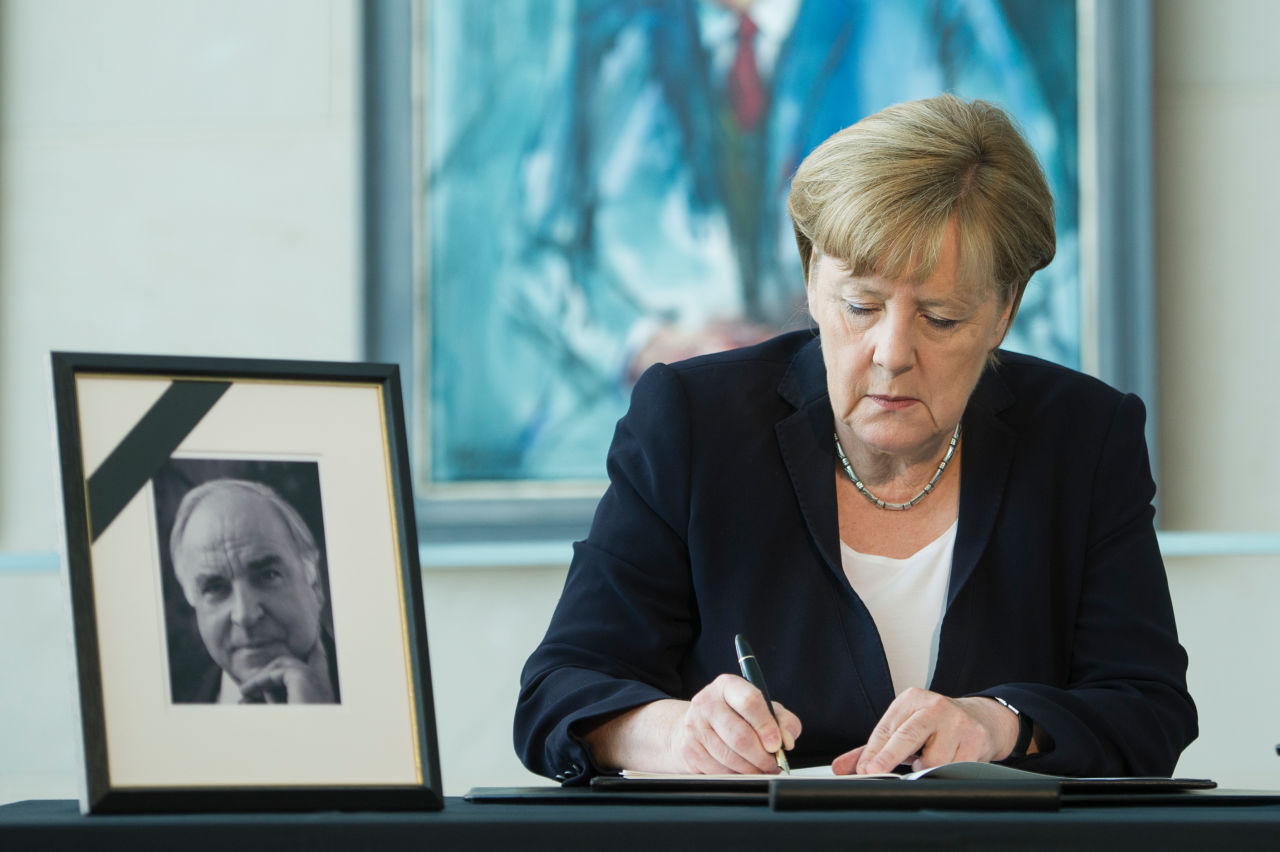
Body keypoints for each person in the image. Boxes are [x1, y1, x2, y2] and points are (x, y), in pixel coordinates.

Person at [514, 94, 1196, 783]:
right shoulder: (693, 422)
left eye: (941, 317)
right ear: (812, 284)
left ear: (1003, 312)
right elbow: (560, 693)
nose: (891, 353)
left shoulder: (1084, 438)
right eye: (861, 306)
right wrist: (676, 734)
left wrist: (1001, 725)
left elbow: (1149, 708)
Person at [169, 479, 340, 704]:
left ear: (315, 584)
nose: (244, 615)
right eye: (215, 588)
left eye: (267, 576)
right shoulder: (175, 699)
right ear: (193, 600)